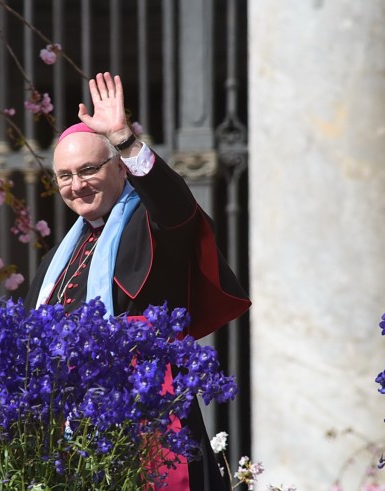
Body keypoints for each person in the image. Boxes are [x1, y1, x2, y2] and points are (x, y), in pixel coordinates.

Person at [25, 72, 251, 489]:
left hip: (146, 408)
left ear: (119, 169)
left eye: (88, 169)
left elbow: (178, 206)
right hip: (71, 424)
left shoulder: (151, 224)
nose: (77, 185)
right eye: (64, 176)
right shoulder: (53, 263)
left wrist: (124, 138)